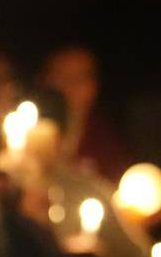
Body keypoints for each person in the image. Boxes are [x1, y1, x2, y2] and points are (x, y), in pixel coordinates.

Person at [40, 45, 134, 183]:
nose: (71, 85)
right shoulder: (25, 130)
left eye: (81, 77)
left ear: (94, 86)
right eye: (62, 75)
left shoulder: (107, 139)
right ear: (45, 80)